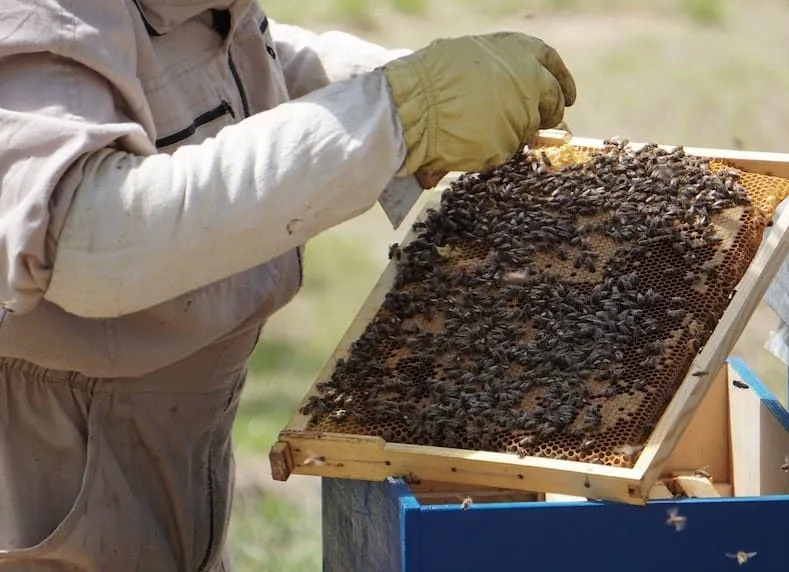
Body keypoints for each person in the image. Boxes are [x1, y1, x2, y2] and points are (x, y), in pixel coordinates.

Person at [0, 0, 576, 570]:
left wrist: (383, 78)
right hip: (42, 494)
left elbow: (215, 63)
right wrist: (398, 111)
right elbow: (85, 237)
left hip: (161, 464)